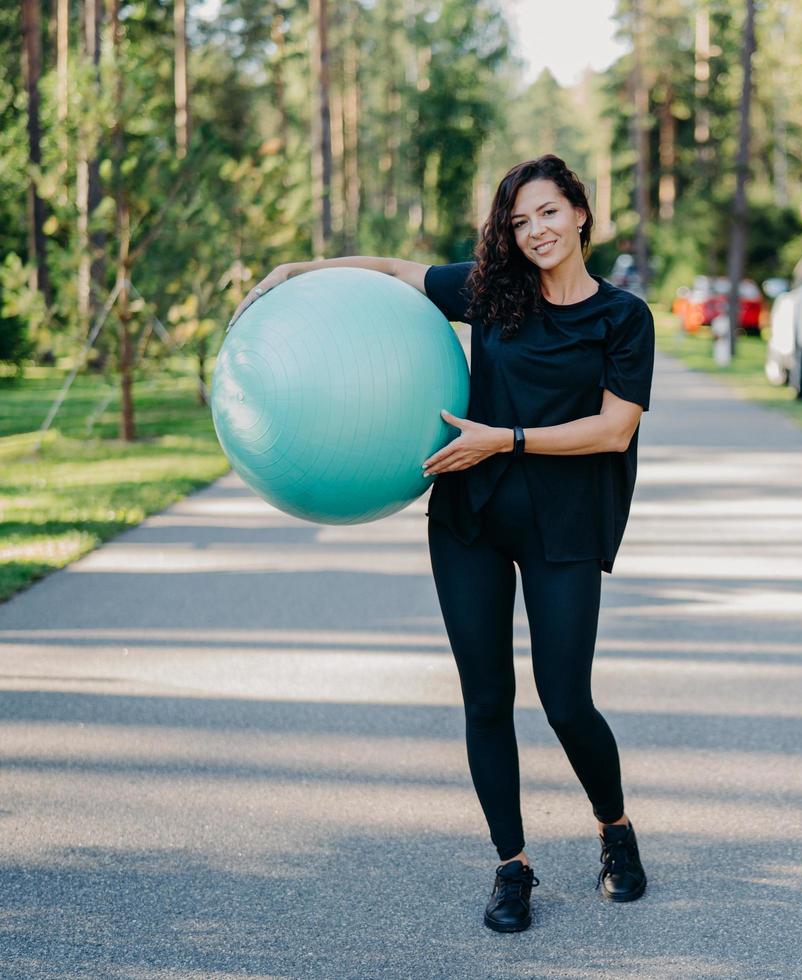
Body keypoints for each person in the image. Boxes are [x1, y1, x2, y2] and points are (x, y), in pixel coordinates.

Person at [230, 154, 655, 934]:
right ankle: (512, 865)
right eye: (520, 221)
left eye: (549, 214)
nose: (536, 233)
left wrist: (505, 439)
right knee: (486, 699)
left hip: (564, 525)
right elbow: (395, 270)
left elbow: (613, 428)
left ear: (582, 213)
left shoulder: (623, 318)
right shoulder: (492, 291)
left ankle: (614, 831)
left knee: (566, 703)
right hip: (472, 520)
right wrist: (301, 268)